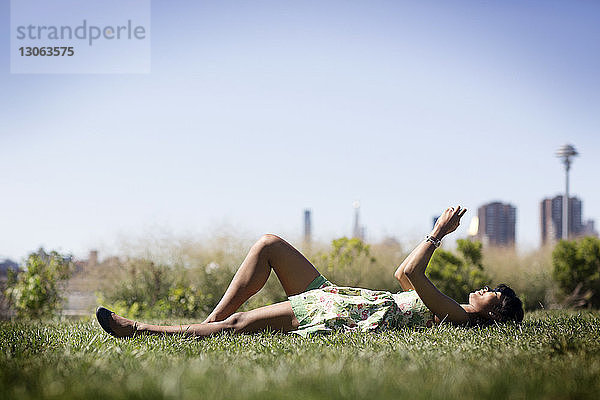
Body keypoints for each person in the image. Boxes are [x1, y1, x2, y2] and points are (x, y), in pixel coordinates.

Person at [96, 206, 524, 338]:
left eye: (494, 294)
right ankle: (207, 323)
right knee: (269, 245)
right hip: (340, 296)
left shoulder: (459, 316)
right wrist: (433, 238)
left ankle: (139, 329)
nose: (485, 288)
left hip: (340, 314)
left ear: (492, 315)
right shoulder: (454, 309)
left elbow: (413, 270)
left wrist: (437, 233)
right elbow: (402, 276)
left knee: (242, 324)